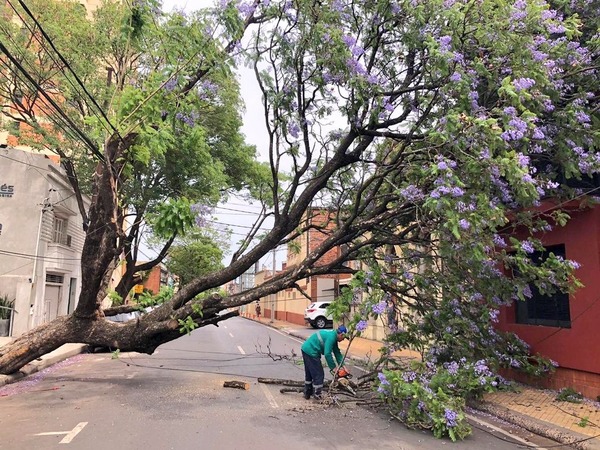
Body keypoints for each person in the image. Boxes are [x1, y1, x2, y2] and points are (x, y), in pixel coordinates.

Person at [301, 325, 348, 400]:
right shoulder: (331, 338)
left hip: (306, 349)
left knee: (309, 373)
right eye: (343, 337)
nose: (343, 340)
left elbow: (337, 353)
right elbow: (327, 354)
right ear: (341, 334)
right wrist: (333, 368)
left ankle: (307, 393)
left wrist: (344, 366)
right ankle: (317, 394)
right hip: (311, 351)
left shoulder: (333, 336)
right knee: (319, 373)